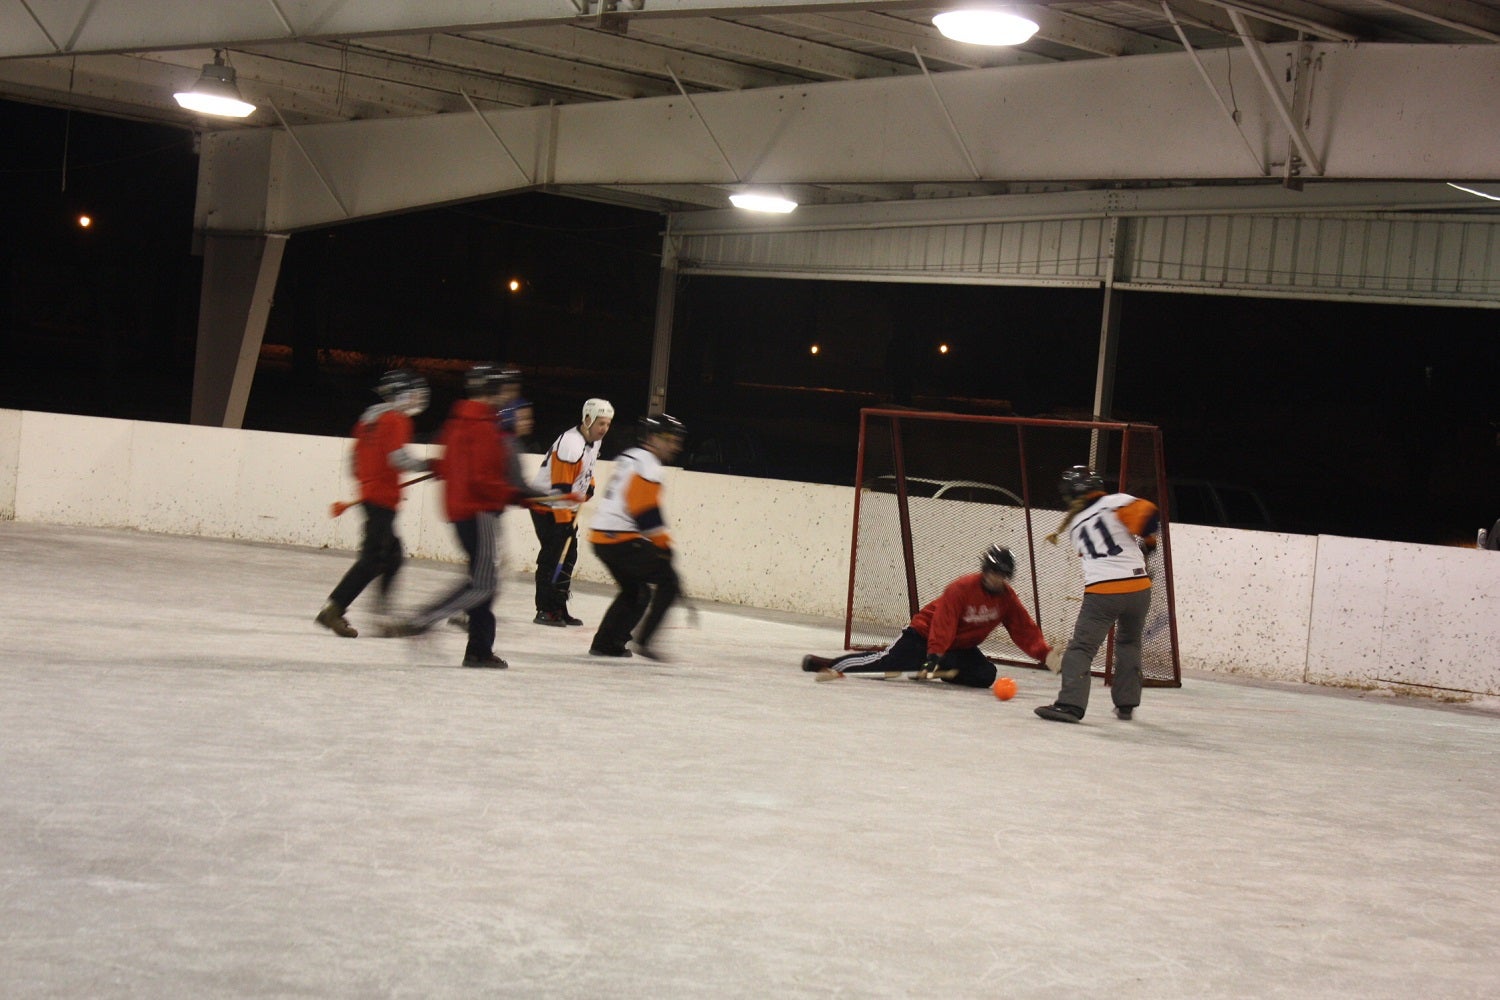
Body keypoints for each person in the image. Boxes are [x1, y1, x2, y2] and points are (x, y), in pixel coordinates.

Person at [385, 364, 543, 668]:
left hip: (462, 511)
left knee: (482, 581)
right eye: (508, 389)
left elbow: (450, 465)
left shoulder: (458, 420)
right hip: (479, 512)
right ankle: (423, 620)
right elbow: (484, 481)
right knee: (484, 584)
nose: (511, 395)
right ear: (494, 390)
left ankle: (479, 651)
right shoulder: (482, 426)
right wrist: (520, 495)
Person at [801, 544, 1057, 686]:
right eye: (994, 573)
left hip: (958, 647)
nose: (997, 579)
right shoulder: (961, 588)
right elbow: (943, 624)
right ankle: (825, 663)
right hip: (923, 637)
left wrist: (1046, 655)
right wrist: (934, 654)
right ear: (984, 571)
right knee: (882, 664)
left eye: (1002, 576)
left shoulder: (1007, 599)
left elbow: (1024, 629)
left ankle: (937, 667)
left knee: (985, 675)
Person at [1034, 466, 1160, 723]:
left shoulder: (1075, 526)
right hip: (1138, 588)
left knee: (1081, 649)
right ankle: (1126, 704)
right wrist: (1148, 544)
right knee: (1129, 643)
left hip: (1103, 591)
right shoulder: (1116, 502)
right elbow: (1150, 519)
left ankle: (1070, 705)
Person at [315, 369, 431, 638]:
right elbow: (398, 459)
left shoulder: (367, 421)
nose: (417, 398)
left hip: (372, 498)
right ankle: (334, 609)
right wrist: (432, 464)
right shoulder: (396, 420)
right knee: (373, 560)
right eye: (413, 392)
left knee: (392, 557)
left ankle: (381, 615)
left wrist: (370, 482)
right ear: (401, 394)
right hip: (381, 501)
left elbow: (355, 463)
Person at [587, 413, 686, 659]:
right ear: (653, 438)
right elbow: (643, 508)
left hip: (601, 538)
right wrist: (663, 544)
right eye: (670, 439)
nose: (675, 445)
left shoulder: (630, 456)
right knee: (669, 583)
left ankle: (606, 643)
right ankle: (644, 640)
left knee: (635, 591)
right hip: (619, 539)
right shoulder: (649, 464)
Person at [529, 398, 614, 627]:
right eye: (601, 423)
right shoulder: (570, 443)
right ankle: (545, 609)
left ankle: (558, 606)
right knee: (553, 555)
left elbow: (586, 470)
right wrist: (564, 520)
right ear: (587, 419)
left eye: (607, 424)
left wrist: (590, 486)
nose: (604, 429)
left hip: (565, 506)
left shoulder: (594, 442)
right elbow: (561, 489)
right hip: (548, 505)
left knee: (568, 557)